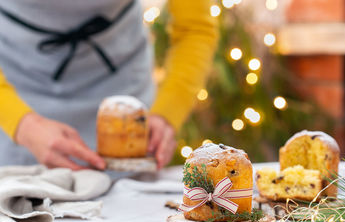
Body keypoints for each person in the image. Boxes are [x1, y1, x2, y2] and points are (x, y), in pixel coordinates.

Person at [0, 0, 217, 170]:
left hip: (126, 89)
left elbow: (195, 29)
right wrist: (22, 124)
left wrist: (167, 113)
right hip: (17, 90)